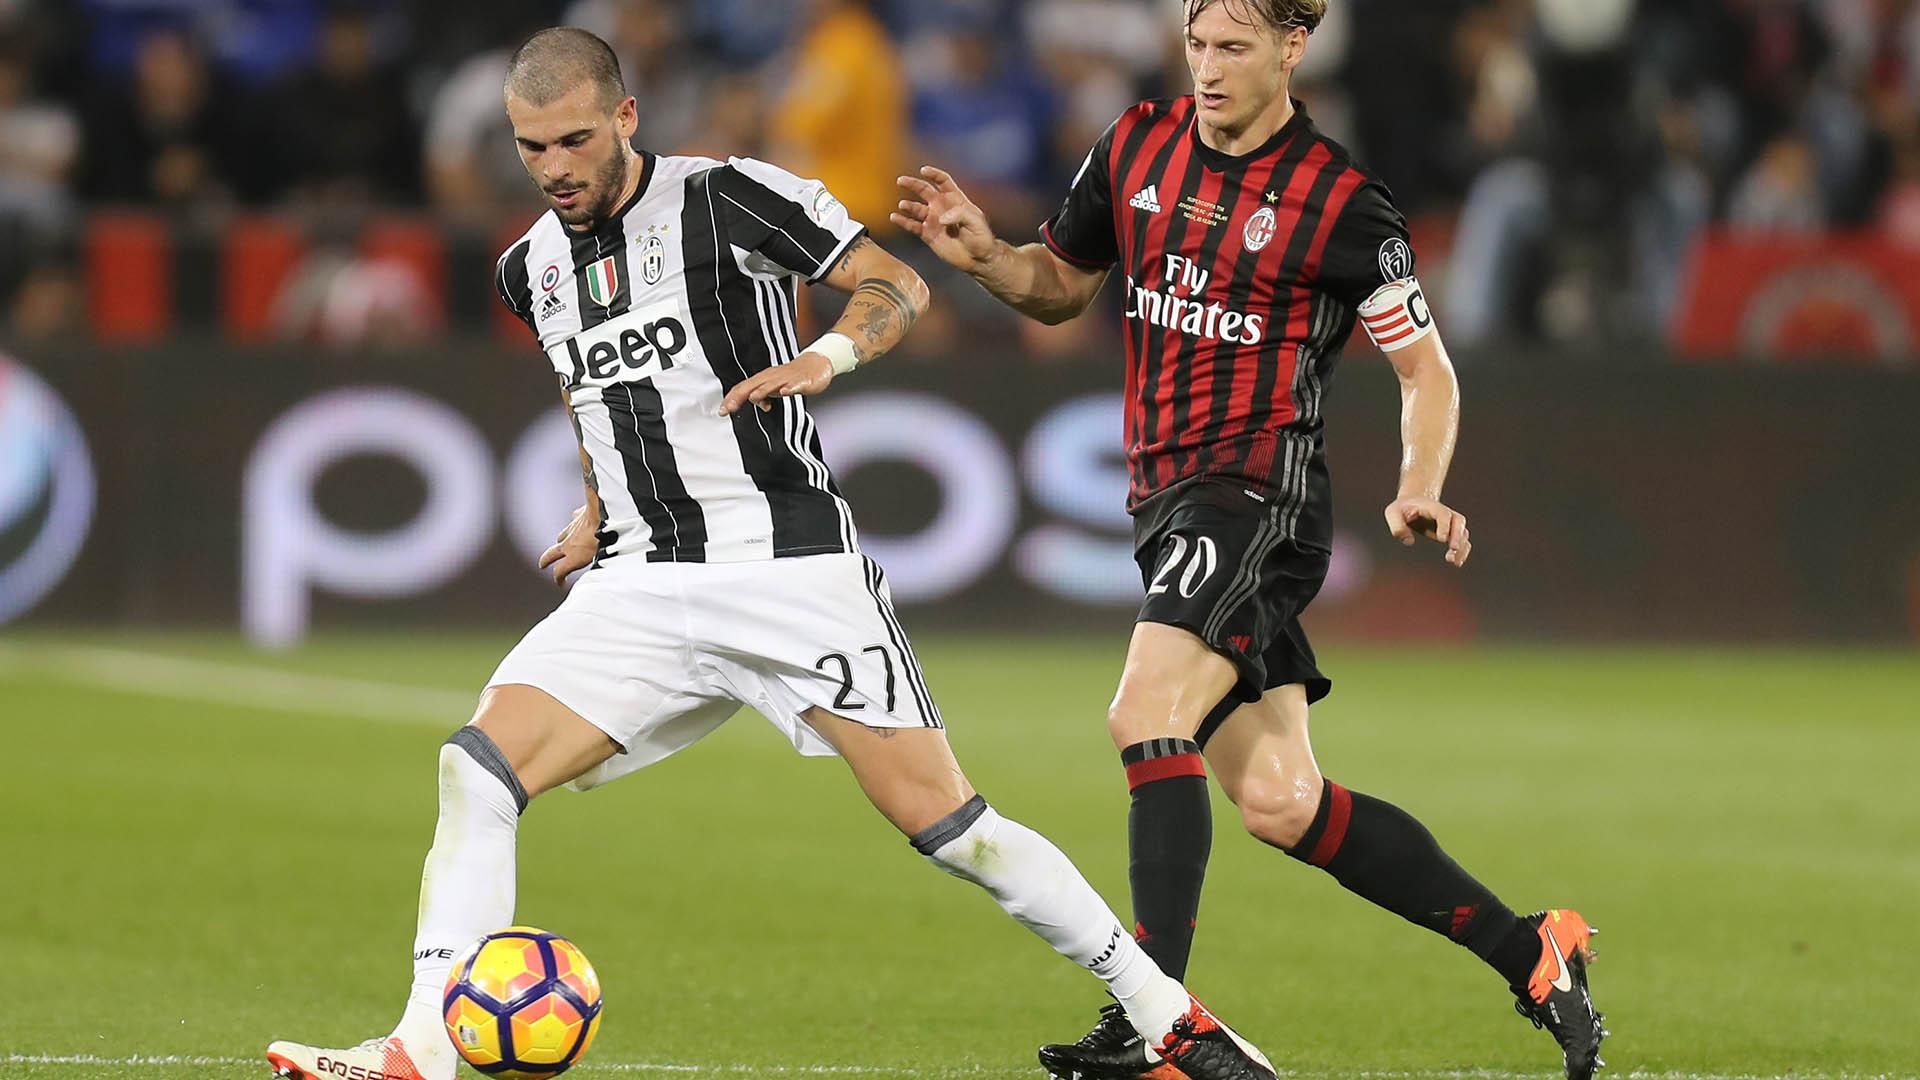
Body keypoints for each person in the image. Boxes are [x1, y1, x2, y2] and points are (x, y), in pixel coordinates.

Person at [262, 27, 1276, 1080]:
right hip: (644, 582)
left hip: (786, 566)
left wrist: (830, 354)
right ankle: (420, 1047)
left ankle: (1175, 1022)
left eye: (572, 140)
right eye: (532, 149)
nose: (555, 169)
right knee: (475, 770)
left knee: (952, 828)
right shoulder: (531, 269)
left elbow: (896, 285)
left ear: (625, 118)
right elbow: (588, 388)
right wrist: (599, 499)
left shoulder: (730, 196)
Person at [892, 2, 1608, 1078]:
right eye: (1197, 45)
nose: (1210, 68)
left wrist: (1420, 484)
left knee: (1144, 711)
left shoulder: (1339, 202)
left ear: (1292, 48)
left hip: (1257, 503)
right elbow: (1062, 284)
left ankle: (1154, 1019)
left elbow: (1426, 368)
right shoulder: (1136, 144)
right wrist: (988, 256)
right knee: (1282, 803)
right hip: (1163, 501)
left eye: (1233, 48)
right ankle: (1535, 953)